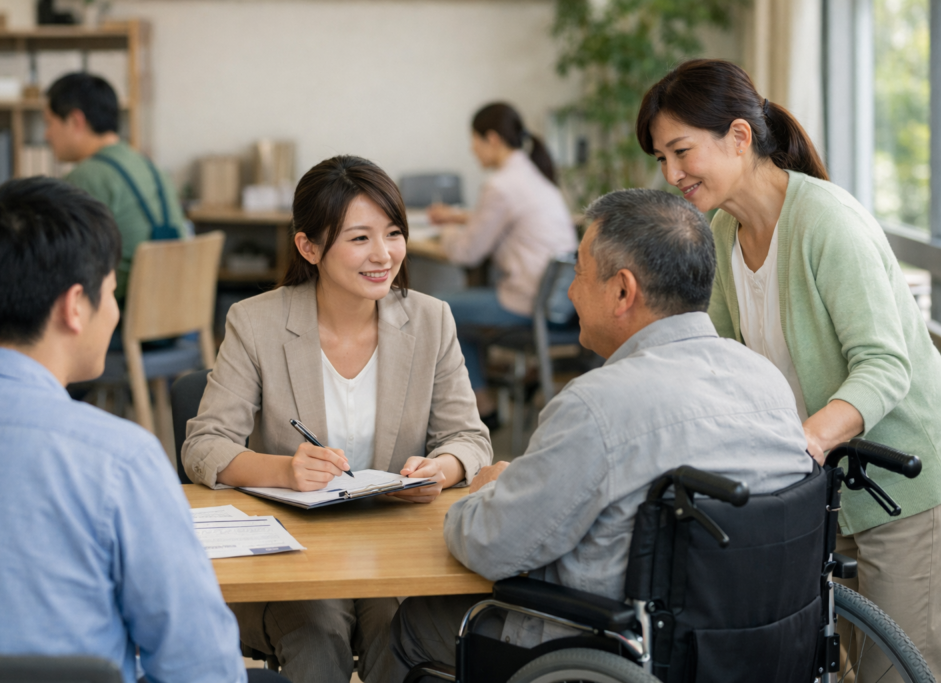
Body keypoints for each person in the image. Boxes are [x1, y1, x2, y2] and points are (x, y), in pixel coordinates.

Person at [387, 188, 813, 676]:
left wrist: (485, 492)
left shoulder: (597, 406)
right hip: (752, 649)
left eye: (578, 275)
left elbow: (492, 546)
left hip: (607, 651)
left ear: (623, 291)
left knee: (414, 621)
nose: (570, 293)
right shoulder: (766, 381)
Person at [636, 58, 941, 673]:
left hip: (904, 489)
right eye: (661, 159)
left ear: (740, 137)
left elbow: (884, 367)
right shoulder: (724, 230)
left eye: (680, 151)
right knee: (838, 662)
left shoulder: (827, 222)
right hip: (824, 486)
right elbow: (715, 358)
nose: (671, 174)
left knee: (894, 668)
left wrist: (804, 440)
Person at [0, 177, 286, 683]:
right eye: (112, 292)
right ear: (74, 307)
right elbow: (202, 670)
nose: (113, 310)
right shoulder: (119, 459)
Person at [182, 155, 493, 683]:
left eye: (393, 233)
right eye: (359, 239)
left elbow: (469, 438)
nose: (383, 255)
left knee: (396, 631)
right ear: (309, 247)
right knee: (318, 632)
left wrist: (438, 471)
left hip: (393, 550)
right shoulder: (256, 322)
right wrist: (282, 470)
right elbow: (205, 445)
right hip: (293, 555)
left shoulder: (431, 319)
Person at [427, 102, 578, 424]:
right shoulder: (534, 178)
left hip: (526, 302)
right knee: (458, 318)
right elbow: (498, 218)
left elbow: (467, 253)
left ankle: (483, 403)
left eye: (475, 142)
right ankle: (486, 399)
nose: (472, 150)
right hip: (559, 304)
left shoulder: (500, 185)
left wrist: (449, 231)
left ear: (492, 139)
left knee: (436, 310)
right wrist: (460, 216)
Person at [45, 72, 185, 303]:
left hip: (124, 316)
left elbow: (60, 261)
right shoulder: (147, 165)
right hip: (175, 310)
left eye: (50, 123)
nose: (46, 134)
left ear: (75, 121)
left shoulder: (85, 177)